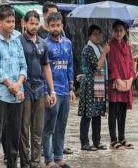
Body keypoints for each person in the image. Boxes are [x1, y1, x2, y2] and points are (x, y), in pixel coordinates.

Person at [0, 7, 27, 168]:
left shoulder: (17, 40)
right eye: (8, 22)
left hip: (17, 95)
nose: (11, 25)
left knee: (14, 132)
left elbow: (24, 66)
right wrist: (11, 85)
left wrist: (18, 85)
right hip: (1, 94)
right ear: (0, 22)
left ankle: (12, 163)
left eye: (13, 22)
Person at [19, 10, 55, 168]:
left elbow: (46, 67)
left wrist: (51, 90)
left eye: (36, 23)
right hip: (24, 89)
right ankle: (25, 162)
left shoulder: (43, 43)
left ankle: (35, 162)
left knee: (38, 128)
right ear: (24, 23)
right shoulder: (19, 41)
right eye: (31, 23)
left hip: (40, 89)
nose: (34, 26)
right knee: (23, 127)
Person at [42, 12, 76, 168]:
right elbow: (43, 70)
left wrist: (71, 88)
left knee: (61, 126)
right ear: (47, 27)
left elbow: (70, 66)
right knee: (49, 127)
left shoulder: (68, 43)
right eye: (52, 26)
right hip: (52, 92)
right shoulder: (44, 45)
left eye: (58, 25)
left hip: (65, 91)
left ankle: (59, 157)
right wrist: (47, 92)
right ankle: (48, 160)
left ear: (62, 25)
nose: (55, 28)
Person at [78, 25, 109, 151]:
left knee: (97, 114)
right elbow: (98, 67)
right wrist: (105, 52)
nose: (98, 36)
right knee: (87, 114)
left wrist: (103, 51)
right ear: (90, 35)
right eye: (95, 34)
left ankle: (97, 141)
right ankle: (84, 142)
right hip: (90, 84)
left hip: (99, 82)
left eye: (99, 33)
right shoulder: (88, 49)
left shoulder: (98, 47)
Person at [107, 20, 135, 150]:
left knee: (123, 112)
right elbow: (112, 64)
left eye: (121, 30)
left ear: (125, 32)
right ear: (113, 31)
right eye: (116, 30)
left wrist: (130, 79)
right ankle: (113, 139)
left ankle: (122, 138)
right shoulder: (110, 45)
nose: (118, 33)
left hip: (126, 83)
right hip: (115, 83)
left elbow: (131, 64)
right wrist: (118, 79)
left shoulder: (127, 47)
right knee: (114, 111)